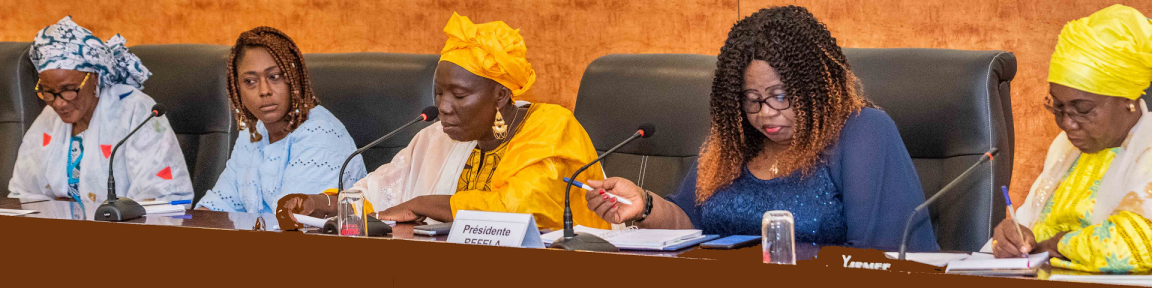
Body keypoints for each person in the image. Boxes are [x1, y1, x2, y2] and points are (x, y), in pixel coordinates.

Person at [583, 6, 938, 251]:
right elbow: (688, 223)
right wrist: (643, 206)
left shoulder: (862, 133)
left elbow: (882, 255)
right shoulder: (733, 143)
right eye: (750, 99)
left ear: (814, 84)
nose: (765, 113)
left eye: (780, 96)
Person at [274, 12, 610, 231]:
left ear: (501, 96)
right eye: (438, 93)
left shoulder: (551, 126)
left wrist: (424, 205)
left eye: (459, 96)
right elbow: (384, 190)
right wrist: (322, 203)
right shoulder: (437, 136)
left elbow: (524, 208)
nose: (444, 107)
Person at [987, 4, 1152, 273]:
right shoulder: (1066, 147)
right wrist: (1013, 236)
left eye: (1083, 109)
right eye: (1058, 107)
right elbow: (1029, 227)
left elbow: (1136, 244)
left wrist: (1057, 244)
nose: (1067, 123)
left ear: (1128, 100)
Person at [7, 16, 193, 210]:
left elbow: (168, 196)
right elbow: (21, 195)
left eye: (69, 89)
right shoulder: (49, 117)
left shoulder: (135, 111)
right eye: (48, 91)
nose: (59, 103)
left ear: (94, 77)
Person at [194, 27, 366, 213]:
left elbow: (294, 223)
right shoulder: (253, 133)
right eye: (250, 81)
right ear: (237, 88)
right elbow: (218, 205)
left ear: (294, 78)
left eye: (274, 77)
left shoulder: (320, 133)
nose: (264, 90)